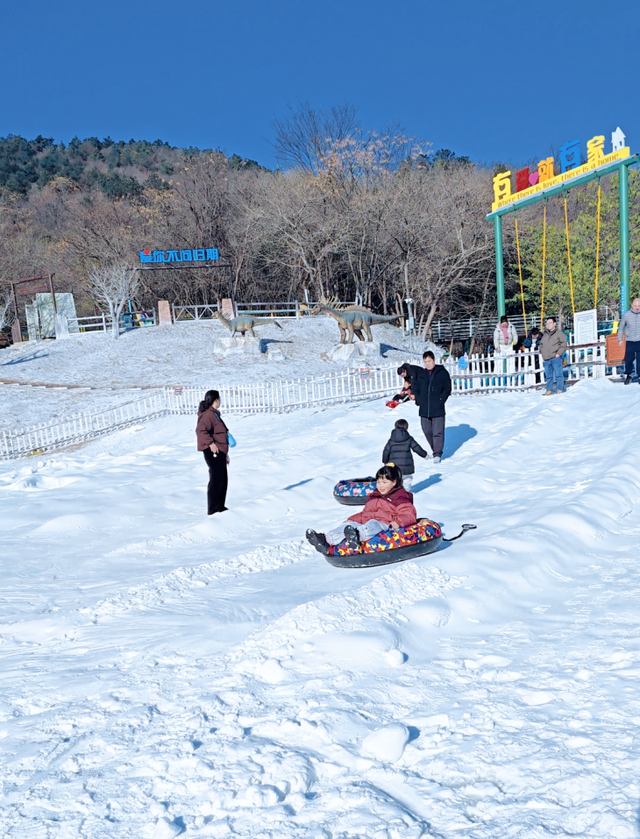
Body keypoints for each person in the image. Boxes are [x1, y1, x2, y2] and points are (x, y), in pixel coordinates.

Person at [306, 464, 417, 554]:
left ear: (394, 482)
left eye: (384, 482)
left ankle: (357, 537)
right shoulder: (375, 495)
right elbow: (365, 514)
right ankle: (325, 540)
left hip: (385, 524)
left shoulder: (400, 497)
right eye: (378, 482)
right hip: (368, 522)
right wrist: (352, 520)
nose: (381, 485)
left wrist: (397, 522)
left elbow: (408, 513)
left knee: (372, 524)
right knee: (349, 525)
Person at [397, 351, 452, 464]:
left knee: (437, 432)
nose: (427, 364)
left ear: (434, 360)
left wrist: (441, 400)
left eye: (429, 361)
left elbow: (447, 388)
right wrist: (416, 398)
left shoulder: (442, 373)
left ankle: (437, 453)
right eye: (425, 361)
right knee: (427, 430)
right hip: (424, 408)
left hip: (437, 407)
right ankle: (435, 449)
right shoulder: (422, 374)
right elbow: (416, 387)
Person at [195, 389, 230, 515]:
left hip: (220, 450)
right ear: (216, 399)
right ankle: (213, 509)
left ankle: (220, 506)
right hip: (213, 451)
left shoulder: (214, 414)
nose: (220, 401)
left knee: (222, 479)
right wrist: (211, 443)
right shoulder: (208, 415)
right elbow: (200, 431)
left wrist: (225, 453)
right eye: (219, 398)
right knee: (216, 479)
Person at [382, 419, 428, 491]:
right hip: (407, 467)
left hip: (394, 467)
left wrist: (385, 461)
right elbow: (417, 448)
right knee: (407, 481)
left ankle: (396, 494)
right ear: (406, 428)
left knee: (395, 481)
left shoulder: (391, 440)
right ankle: (406, 493)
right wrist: (424, 455)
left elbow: (386, 451)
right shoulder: (409, 438)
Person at [539, 317, 568, 395]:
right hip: (547, 358)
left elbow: (564, 344)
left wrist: (559, 353)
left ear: (554, 324)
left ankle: (559, 389)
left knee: (558, 374)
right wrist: (542, 352)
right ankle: (549, 390)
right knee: (548, 375)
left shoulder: (559, 333)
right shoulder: (545, 335)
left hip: (555, 357)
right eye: (547, 323)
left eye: (550, 323)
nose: (548, 325)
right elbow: (541, 344)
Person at [618, 298, 640, 384]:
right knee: (629, 359)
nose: (637, 308)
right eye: (635, 306)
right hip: (630, 340)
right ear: (632, 305)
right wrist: (619, 339)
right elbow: (621, 328)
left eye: (639, 306)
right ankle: (628, 375)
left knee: (639, 359)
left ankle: (639, 375)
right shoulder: (627, 315)